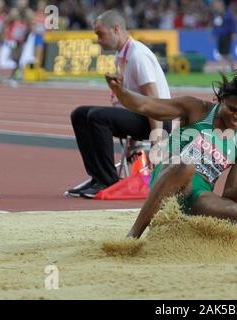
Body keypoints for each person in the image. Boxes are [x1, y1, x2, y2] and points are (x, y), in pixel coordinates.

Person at [105, 60, 237, 249]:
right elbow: (147, 105)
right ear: (221, 100)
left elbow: (230, 195)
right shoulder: (196, 109)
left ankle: (208, 253)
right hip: (169, 177)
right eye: (232, 109)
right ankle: (133, 236)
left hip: (198, 196)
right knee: (185, 165)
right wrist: (121, 91)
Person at [67, 10, 172, 198]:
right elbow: (131, 101)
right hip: (141, 115)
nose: (98, 39)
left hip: (158, 119)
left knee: (97, 117)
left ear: (116, 30)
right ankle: (98, 177)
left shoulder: (138, 56)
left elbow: (154, 101)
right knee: (79, 114)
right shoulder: (121, 56)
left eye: (101, 34)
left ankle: (108, 181)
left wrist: (157, 143)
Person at [212, 0, 237, 71]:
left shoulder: (228, 13)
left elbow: (233, 24)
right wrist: (213, 35)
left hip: (227, 35)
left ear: (222, 5)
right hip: (220, 36)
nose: (216, 6)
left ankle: (228, 68)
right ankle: (227, 69)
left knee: (226, 54)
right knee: (222, 53)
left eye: (217, 4)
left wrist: (233, 33)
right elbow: (215, 26)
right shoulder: (217, 15)